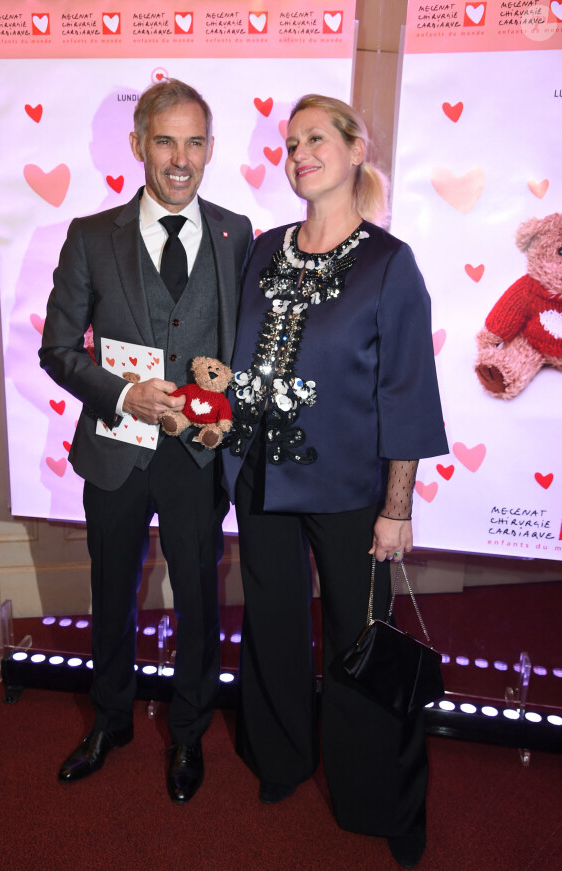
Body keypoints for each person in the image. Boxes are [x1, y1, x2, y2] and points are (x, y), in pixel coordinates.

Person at [222, 94, 448, 868]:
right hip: (261, 481)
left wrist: (397, 509)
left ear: (357, 150)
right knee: (275, 630)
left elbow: (408, 392)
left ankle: (377, 796)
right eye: (289, 144)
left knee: (361, 649)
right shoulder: (263, 248)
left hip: (355, 493)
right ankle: (281, 761)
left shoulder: (390, 262)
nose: (299, 154)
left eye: (316, 139)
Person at [39, 78, 252, 802]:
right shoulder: (90, 236)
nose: (181, 158)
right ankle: (110, 719)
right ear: (138, 145)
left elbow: (243, 349)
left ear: (212, 149)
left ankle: (189, 731)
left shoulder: (239, 233)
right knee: (112, 591)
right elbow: (58, 349)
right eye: (166, 140)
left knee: (197, 594)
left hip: (198, 455)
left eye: (195, 141)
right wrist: (123, 391)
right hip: (116, 448)